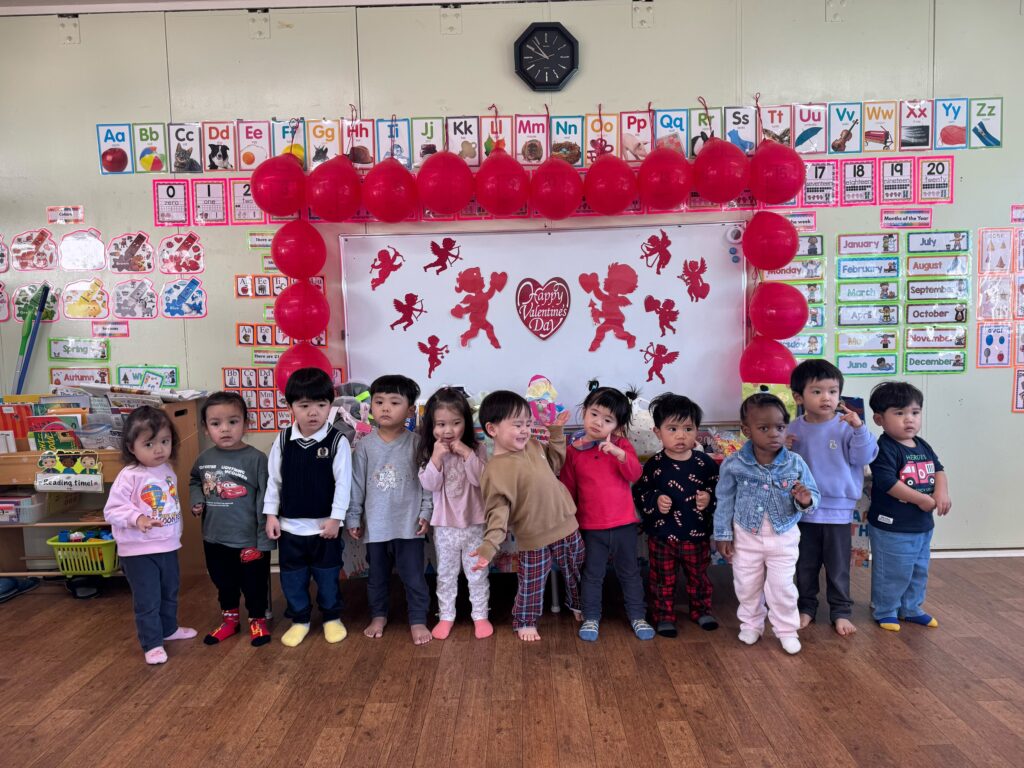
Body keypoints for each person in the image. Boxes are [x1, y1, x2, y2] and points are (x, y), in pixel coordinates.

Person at [469, 390, 583, 642]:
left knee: (575, 568)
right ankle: (525, 620)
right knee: (532, 581)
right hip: (533, 536)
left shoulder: (533, 445)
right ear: (492, 429)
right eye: (517, 425)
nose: (524, 430)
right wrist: (489, 546)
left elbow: (554, 464)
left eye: (528, 424)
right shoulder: (495, 471)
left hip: (566, 524)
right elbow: (497, 513)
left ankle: (578, 603)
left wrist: (556, 434)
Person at [714, 393, 819, 655]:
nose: (774, 434)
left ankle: (786, 630)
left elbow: (813, 496)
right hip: (746, 537)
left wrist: (805, 500)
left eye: (780, 427)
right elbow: (724, 500)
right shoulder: (734, 464)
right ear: (746, 431)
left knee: (782, 587)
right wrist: (723, 534)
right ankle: (751, 624)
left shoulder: (795, 463)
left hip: (783, 537)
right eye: (764, 428)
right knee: (746, 585)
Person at [786, 360, 877, 637]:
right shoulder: (792, 429)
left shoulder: (847, 427)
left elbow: (864, 457)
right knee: (805, 565)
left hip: (838, 511)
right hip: (803, 511)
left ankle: (841, 612)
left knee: (838, 568)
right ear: (798, 397)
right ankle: (806, 607)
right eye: (817, 391)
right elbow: (782, 469)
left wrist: (860, 429)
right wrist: (782, 449)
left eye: (833, 391)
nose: (826, 397)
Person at [264, 368, 351, 647]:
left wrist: (336, 519)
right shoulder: (283, 439)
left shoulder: (338, 441)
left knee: (328, 576)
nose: (313, 413)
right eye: (304, 406)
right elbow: (274, 480)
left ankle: (331, 618)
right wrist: (271, 515)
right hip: (290, 527)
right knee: (292, 578)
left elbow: (344, 484)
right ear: (290, 406)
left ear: (330, 405)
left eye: (321, 405)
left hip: (325, 527)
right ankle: (300, 620)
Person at [103, 406, 197, 664]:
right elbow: (112, 510)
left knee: (169, 591)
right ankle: (152, 643)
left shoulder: (166, 469)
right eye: (149, 444)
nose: (159, 450)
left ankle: (169, 629)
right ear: (131, 447)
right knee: (148, 599)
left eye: (165, 441)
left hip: (167, 546)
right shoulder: (129, 476)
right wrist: (138, 518)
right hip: (138, 551)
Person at [559, 386, 653, 642]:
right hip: (591, 527)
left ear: (618, 426)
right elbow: (568, 490)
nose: (598, 423)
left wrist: (620, 454)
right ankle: (591, 617)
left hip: (624, 525)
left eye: (607, 420)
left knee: (630, 573)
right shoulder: (573, 451)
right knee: (592, 575)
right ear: (584, 412)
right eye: (594, 414)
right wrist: (570, 523)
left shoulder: (622, 446)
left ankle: (638, 616)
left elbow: (635, 474)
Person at [347, 375, 433, 645]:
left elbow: (428, 484)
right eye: (379, 402)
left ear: (410, 411)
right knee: (377, 577)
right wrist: (353, 516)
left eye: (394, 402)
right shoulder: (364, 446)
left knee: (414, 576)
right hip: (376, 526)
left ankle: (417, 619)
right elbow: (356, 485)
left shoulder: (417, 443)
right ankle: (378, 615)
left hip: (409, 526)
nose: (385, 408)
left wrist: (426, 512)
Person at [189, 391, 272, 647]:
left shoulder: (256, 459)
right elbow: (195, 480)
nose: (225, 429)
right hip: (214, 537)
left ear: (246, 424)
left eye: (233, 422)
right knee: (223, 582)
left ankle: (257, 620)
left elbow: (266, 498)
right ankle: (230, 621)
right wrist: (196, 499)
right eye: (216, 423)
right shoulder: (204, 459)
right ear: (206, 429)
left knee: (254, 584)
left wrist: (263, 540)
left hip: (249, 539)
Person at [633, 393, 719, 638]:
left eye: (688, 429)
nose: (681, 435)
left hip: (696, 535)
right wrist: (656, 500)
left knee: (699, 577)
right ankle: (663, 616)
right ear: (657, 432)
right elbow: (641, 493)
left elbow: (719, 490)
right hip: (662, 537)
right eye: (672, 429)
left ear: (697, 431)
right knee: (662, 579)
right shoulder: (654, 465)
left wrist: (708, 498)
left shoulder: (705, 464)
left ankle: (701, 610)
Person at [867, 382, 951, 631]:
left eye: (915, 412)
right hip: (892, 525)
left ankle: (911, 608)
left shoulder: (921, 444)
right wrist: (921, 499)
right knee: (893, 570)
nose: (909, 419)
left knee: (918, 569)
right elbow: (887, 482)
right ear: (879, 419)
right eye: (899, 413)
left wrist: (941, 491)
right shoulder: (884, 447)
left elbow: (938, 470)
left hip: (921, 525)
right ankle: (885, 610)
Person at [417, 387, 492, 640]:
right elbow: (429, 484)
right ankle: (446, 616)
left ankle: (480, 615)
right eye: (441, 424)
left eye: (456, 423)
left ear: (466, 423)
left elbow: (482, 480)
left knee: (477, 573)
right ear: (431, 425)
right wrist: (436, 458)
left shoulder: (477, 449)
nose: (448, 430)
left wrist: (466, 452)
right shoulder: (429, 451)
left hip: (474, 522)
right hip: (445, 526)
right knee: (446, 575)